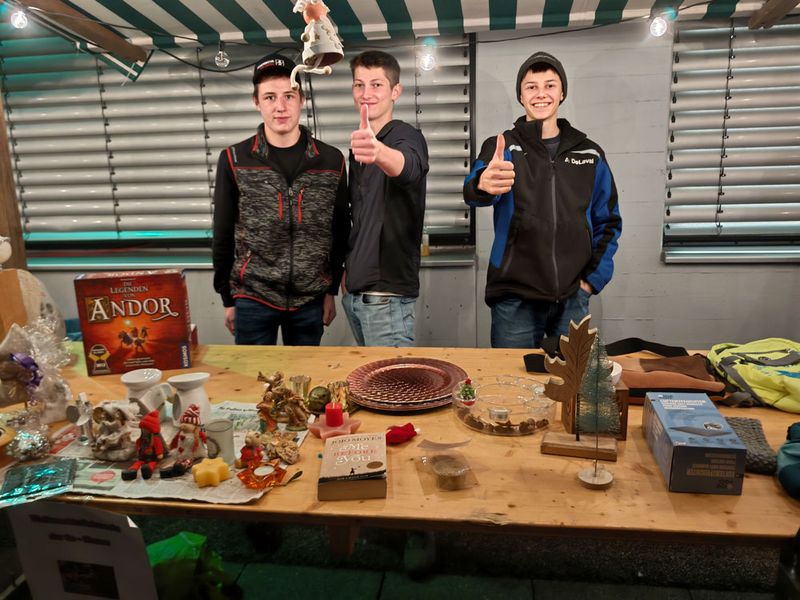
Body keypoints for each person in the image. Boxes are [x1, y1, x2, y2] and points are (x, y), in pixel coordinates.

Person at [463, 51, 622, 348]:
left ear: (562, 93)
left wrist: (590, 282)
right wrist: (484, 184)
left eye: (550, 85)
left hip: (573, 299)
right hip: (514, 299)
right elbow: (472, 190)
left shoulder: (590, 153)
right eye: (531, 87)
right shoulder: (502, 147)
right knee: (510, 377)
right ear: (521, 96)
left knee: (570, 378)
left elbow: (609, 222)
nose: (540, 94)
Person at [212, 54, 350, 346]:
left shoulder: (331, 160)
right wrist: (227, 298)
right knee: (253, 376)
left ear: (302, 100)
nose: (280, 106)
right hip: (252, 297)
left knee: (303, 375)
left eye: (289, 96)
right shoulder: (234, 159)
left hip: (310, 298)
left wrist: (331, 291)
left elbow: (340, 231)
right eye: (270, 97)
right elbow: (222, 233)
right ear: (257, 102)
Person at [342, 50, 429, 347]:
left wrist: (379, 152)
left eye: (377, 84)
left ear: (395, 91)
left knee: (390, 378)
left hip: (387, 297)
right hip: (358, 295)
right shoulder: (359, 148)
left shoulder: (406, 136)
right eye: (359, 85)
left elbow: (410, 168)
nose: (366, 93)